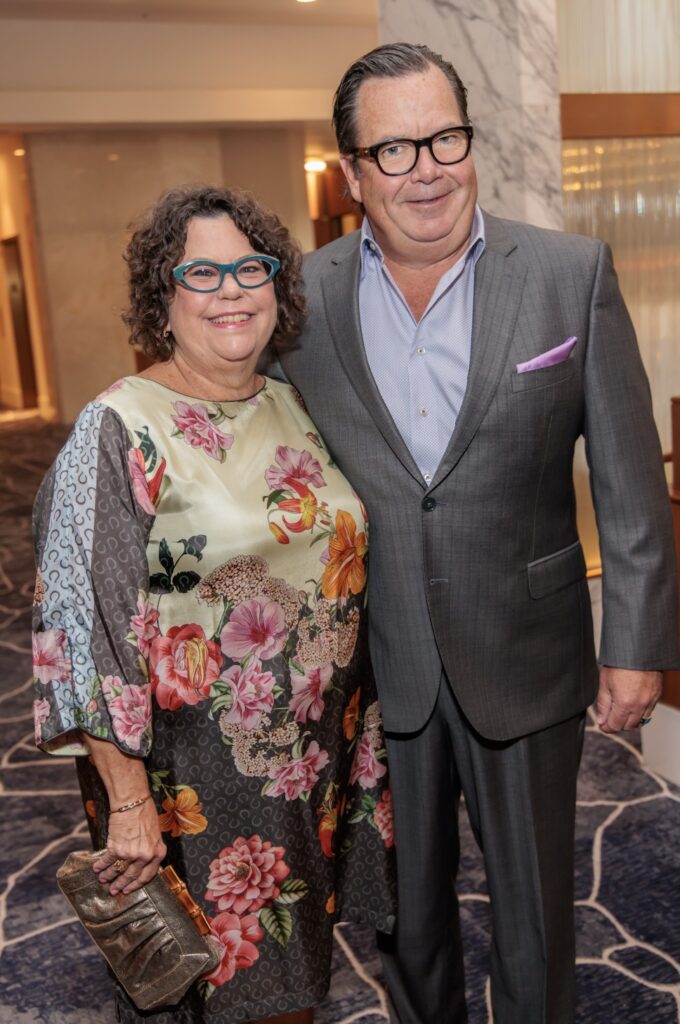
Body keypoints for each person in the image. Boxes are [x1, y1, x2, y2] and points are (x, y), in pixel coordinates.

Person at [273, 43, 680, 1024]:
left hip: (526, 652)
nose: (427, 171)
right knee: (404, 923)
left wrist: (635, 647)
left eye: (445, 139)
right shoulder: (302, 300)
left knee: (534, 916)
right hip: (378, 667)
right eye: (395, 149)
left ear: (471, 141)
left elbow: (629, 485)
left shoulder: (568, 274)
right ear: (353, 172)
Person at [31, 185, 395, 1024]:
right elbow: (78, 633)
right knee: (216, 995)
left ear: (277, 287)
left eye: (249, 268)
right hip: (189, 785)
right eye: (201, 273)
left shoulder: (292, 403)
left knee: (291, 990)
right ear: (162, 298)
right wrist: (128, 805)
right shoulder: (119, 427)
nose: (231, 290)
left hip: (307, 769)